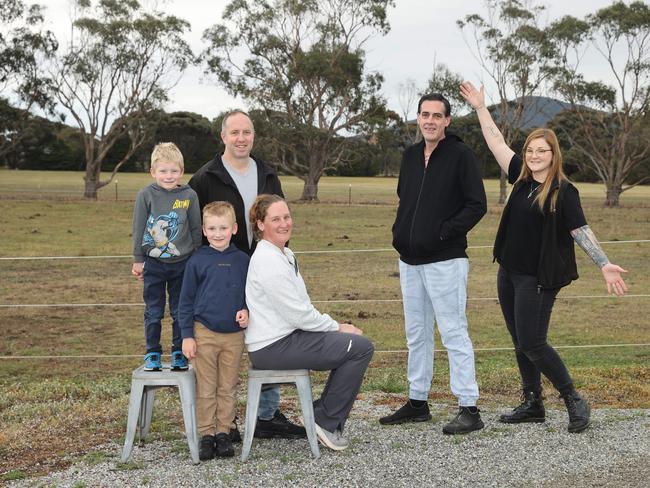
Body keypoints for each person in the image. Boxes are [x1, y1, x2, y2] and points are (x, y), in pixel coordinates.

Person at [460, 81, 629, 433]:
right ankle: (533, 403)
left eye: (542, 151)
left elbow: (579, 230)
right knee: (519, 339)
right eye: (530, 150)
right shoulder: (521, 179)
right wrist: (480, 107)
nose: (535, 156)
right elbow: (495, 142)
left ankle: (572, 398)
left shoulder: (563, 192)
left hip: (538, 278)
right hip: (508, 272)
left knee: (533, 342)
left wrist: (604, 263)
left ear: (554, 155)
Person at [188, 110, 304, 440]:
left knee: (269, 334)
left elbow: (279, 219)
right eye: (235, 132)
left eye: (247, 132)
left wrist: (281, 254)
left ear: (254, 136)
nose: (241, 138)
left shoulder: (267, 173)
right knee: (226, 343)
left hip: (264, 268)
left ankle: (265, 414)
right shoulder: (206, 177)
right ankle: (222, 423)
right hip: (224, 275)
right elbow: (195, 231)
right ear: (223, 136)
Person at [380, 93, 487, 435]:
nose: (429, 120)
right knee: (417, 334)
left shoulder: (461, 155)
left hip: (445, 260)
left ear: (447, 121)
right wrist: (402, 233)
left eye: (436, 116)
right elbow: (405, 199)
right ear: (418, 118)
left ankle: (469, 407)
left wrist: (443, 233)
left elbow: (476, 205)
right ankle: (417, 402)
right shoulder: (410, 156)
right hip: (409, 260)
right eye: (424, 114)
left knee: (453, 332)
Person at [245, 194, 374, 451]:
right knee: (360, 348)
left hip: (288, 338)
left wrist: (333, 328)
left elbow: (301, 309)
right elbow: (299, 314)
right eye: (275, 219)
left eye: (286, 217)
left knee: (355, 345)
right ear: (260, 225)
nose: (284, 224)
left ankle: (318, 414)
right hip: (272, 347)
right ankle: (324, 420)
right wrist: (337, 326)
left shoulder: (285, 254)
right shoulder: (268, 260)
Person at [178, 201, 249, 460]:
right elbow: (184, 301)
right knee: (206, 387)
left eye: (223, 228)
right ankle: (206, 435)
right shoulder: (197, 261)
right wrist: (187, 335)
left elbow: (252, 294)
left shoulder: (243, 260)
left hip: (233, 336)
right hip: (203, 333)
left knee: (227, 386)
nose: (218, 233)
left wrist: (247, 310)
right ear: (204, 231)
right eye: (212, 228)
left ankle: (224, 431)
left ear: (234, 228)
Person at [132, 142, 202, 371]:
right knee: (153, 310)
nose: (168, 176)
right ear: (153, 172)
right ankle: (152, 352)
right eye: (163, 171)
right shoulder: (146, 195)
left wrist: (197, 259)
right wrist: (138, 259)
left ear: (181, 171)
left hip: (183, 263)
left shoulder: (189, 195)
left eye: (174, 171)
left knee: (180, 311)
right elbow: (139, 226)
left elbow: (195, 228)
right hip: (153, 263)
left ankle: (178, 352)